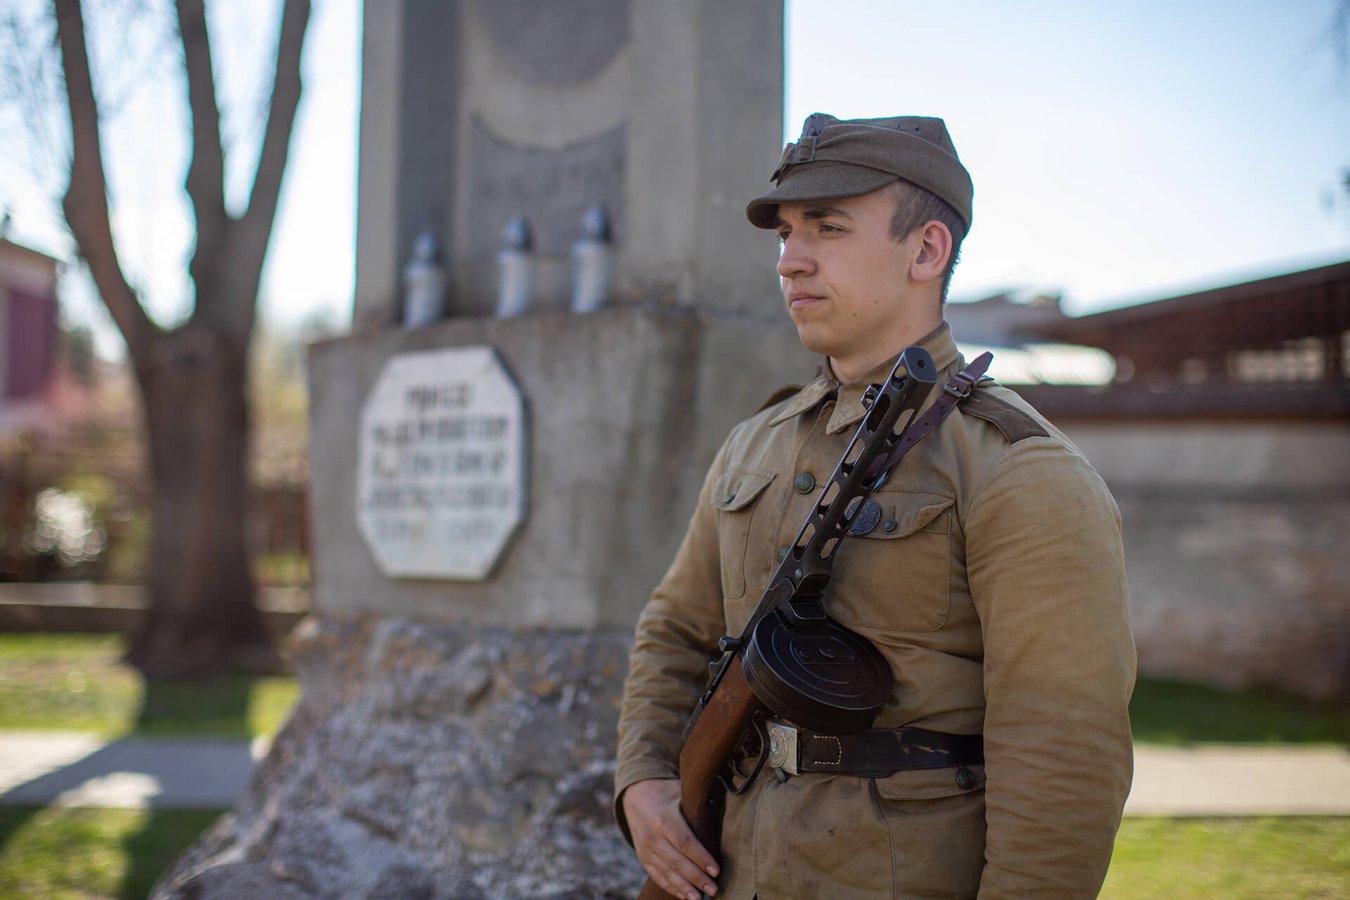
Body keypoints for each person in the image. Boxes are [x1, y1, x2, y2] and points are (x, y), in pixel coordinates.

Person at [615, 113, 1136, 899]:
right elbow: (675, 629)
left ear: (926, 251)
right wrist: (645, 776)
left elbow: (1062, 753)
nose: (791, 260)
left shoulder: (1018, 468)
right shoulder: (755, 444)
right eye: (786, 234)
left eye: (828, 227)